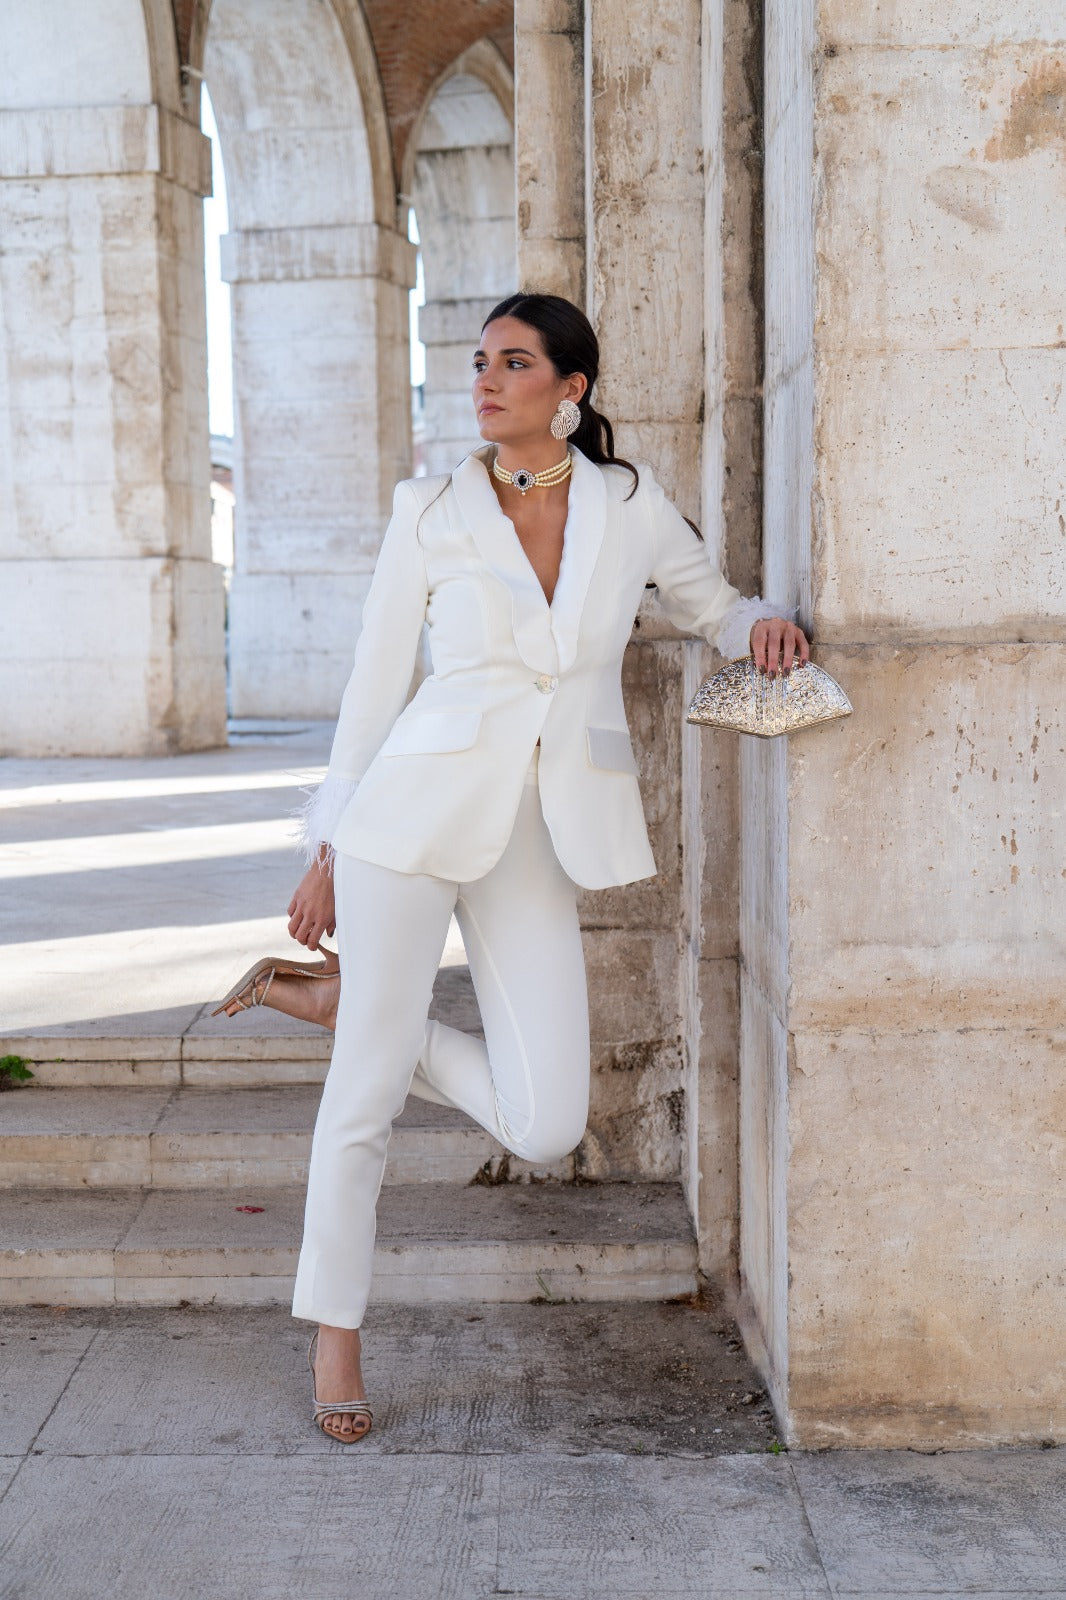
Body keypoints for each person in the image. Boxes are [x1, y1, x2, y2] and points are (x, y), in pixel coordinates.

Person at [213, 291, 809, 1443]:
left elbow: (712, 608)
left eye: (514, 362)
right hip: (407, 818)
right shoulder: (429, 508)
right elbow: (374, 683)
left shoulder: (627, 505)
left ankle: (348, 1006)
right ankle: (336, 1332)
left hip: (545, 829)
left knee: (545, 1119)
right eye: (479, 360)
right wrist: (327, 844)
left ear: (570, 388)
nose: (484, 380)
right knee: (364, 1097)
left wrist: (766, 629)